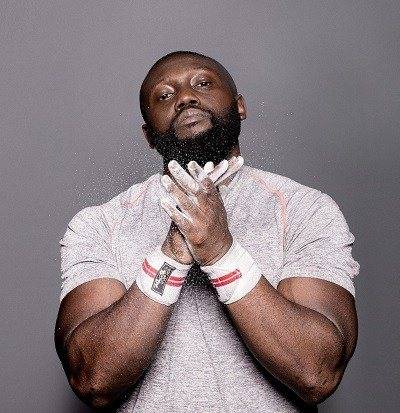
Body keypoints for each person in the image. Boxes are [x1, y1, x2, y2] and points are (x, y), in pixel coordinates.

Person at [55, 51, 360, 412]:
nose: (185, 97)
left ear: (240, 106)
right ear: (148, 135)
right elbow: (92, 379)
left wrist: (220, 252)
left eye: (202, 83)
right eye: (165, 95)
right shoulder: (100, 224)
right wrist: (171, 255)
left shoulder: (305, 210)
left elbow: (317, 373)